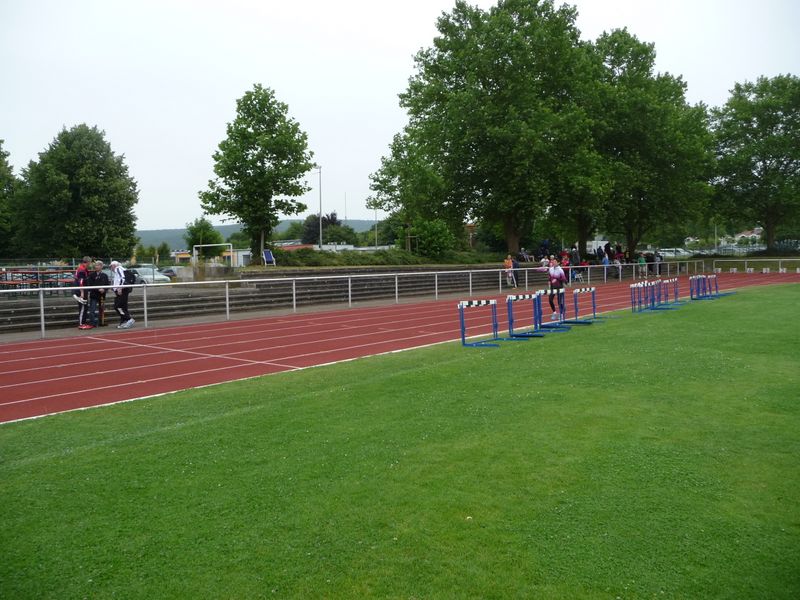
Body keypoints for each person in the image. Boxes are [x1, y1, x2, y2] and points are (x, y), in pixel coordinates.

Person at [84, 260, 110, 329]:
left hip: (102, 295)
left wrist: (104, 290)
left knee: (101, 309)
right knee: (92, 310)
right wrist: (98, 289)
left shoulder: (105, 275)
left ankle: (101, 322)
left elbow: (107, 285)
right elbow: (90, 285)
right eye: (95, 265)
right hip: (94, 295)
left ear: (101, 266)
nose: (96, 266)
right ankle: (92, 323)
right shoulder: (91, 275)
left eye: (98, 265)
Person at [110, 260, 135, 329]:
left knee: (117, 306)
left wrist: (120, 288)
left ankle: (129, 319)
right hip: (122, 290)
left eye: (111, 266)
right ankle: (124, 321)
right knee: (123, 307)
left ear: (114, 265)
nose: (111, 268)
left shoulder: (118, 268)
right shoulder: (119, 270)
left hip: (122, 291)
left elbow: (122, 278)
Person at [73, 256, 91, 329]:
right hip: (80, 291)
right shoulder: (82, 270)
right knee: (83, 307)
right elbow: (81, 282)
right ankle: (81, 324)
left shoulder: (82, 268)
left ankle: (83, 323)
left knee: (84, 307)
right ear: (88, 262)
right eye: (90, 262)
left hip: (81, 290)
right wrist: (82, 292)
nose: (90, 264)